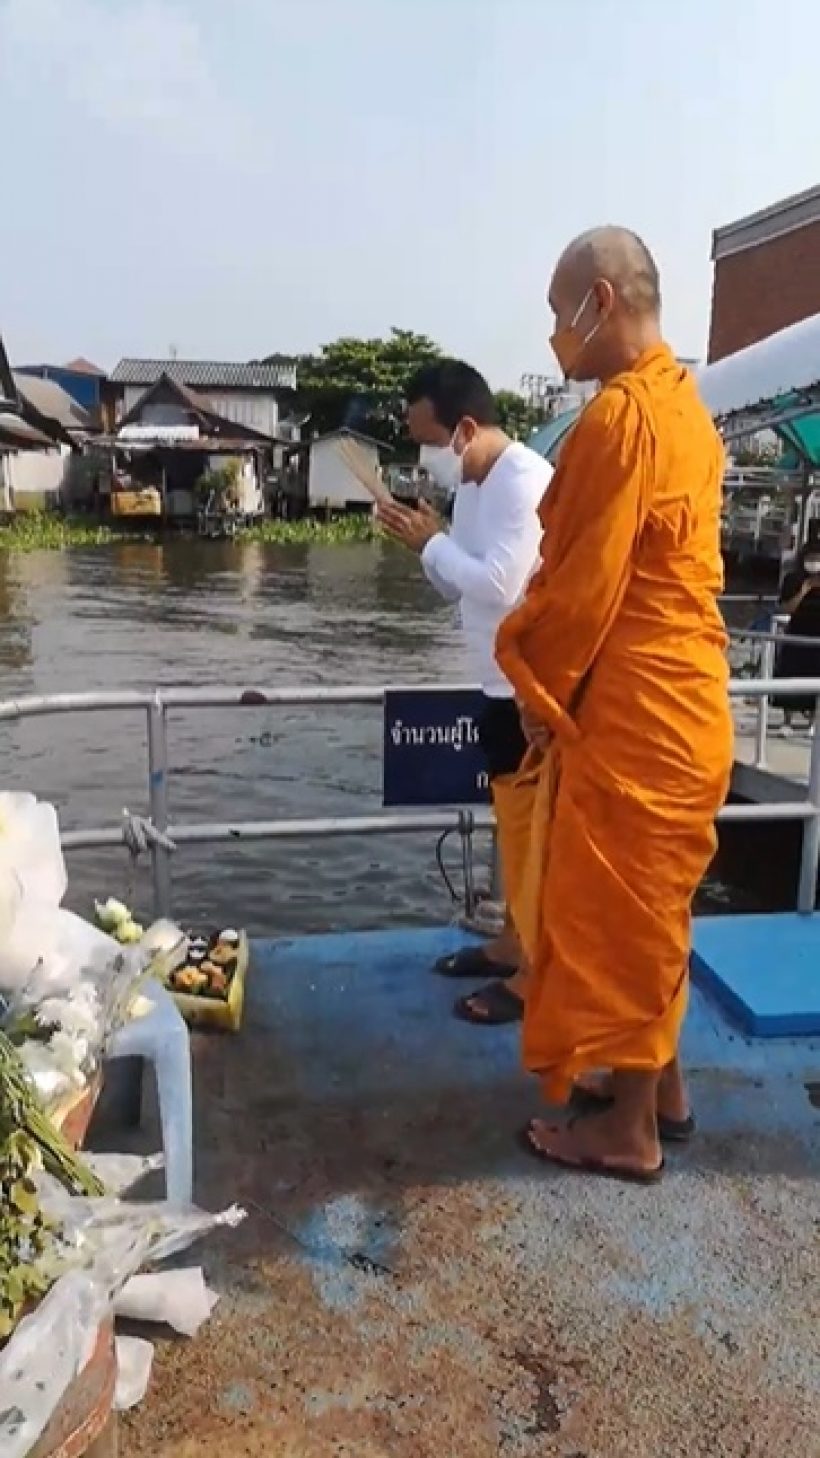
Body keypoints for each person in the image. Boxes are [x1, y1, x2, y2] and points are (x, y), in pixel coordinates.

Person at [495, 227, 733, 1182]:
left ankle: (625, 1133)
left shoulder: (622, 420)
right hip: (686, 707)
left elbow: (580, 591)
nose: (558, 335)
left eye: (561, 316)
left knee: (617, 917)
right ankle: (659, 1088)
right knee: (651, 914)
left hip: (635, 715)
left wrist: (536, 684)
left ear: (601, 299)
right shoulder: (691, 414)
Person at [377, 359, 552, 1023]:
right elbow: (458, 583)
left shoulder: (522, 480)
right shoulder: (474, 487)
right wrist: (423, 546)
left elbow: (501, 585)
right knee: (512, 823)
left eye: (429, 441)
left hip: (532, 692)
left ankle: (536, 971)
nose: (426, 458)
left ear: (466, 428)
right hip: (496, 685)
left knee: (535, 836)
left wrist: (435, 544)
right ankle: (512, 941)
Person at [773, 543, 820, 732]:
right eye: (812, 558)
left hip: (817, 637)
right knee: (791, 674)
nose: (815, 563)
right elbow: (786, 608)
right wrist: (804, 590)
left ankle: (813, 722)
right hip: (797, 633)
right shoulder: (793, 580)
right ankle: (787, 719)